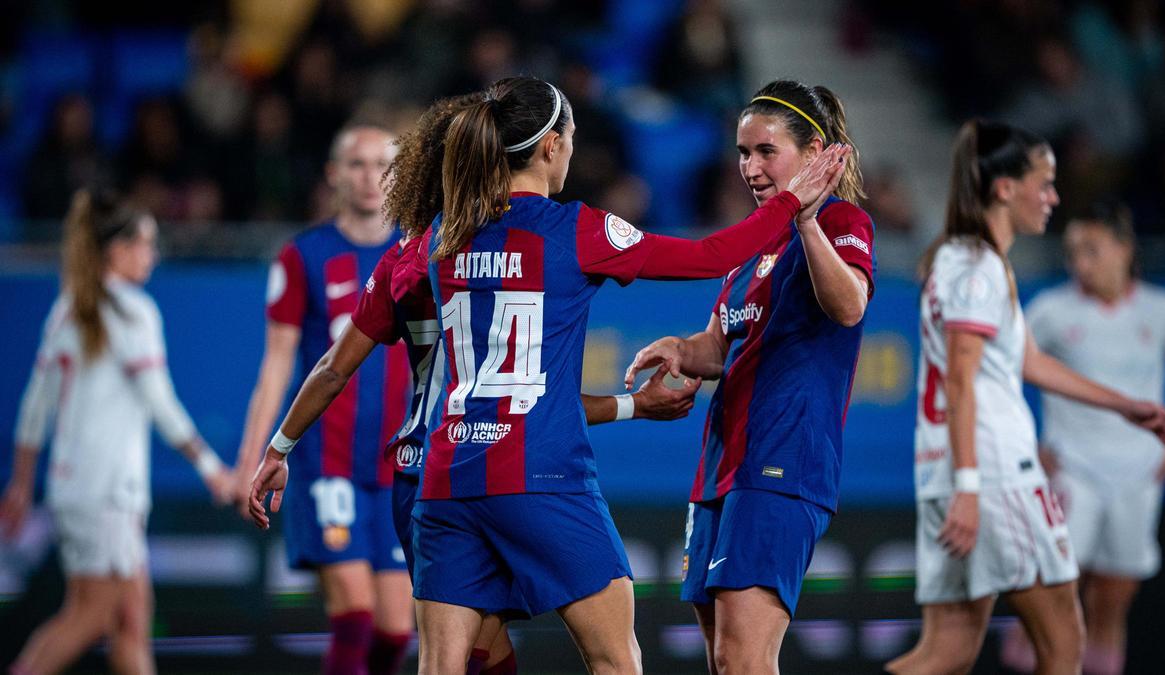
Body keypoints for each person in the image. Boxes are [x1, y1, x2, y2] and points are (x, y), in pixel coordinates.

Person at [378, 75, 847, 674]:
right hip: (541, 473)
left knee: (445, 668)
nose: (572, 151)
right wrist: (792, 204)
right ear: (551, 147)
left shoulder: (441, 237)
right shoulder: (577, 229)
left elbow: (360, 341)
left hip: (446, 482)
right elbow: (708, 257)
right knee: (615, 660)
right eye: (571, 138)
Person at [247, 93, 703, 675]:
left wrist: (278, 447)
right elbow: (522, 399)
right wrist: (632, 406)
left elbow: (338, 368)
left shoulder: (415, 255)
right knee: (549, 651)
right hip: (486, 468)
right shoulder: (505, 247)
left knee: (476, 654)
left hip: (429, 475)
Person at [885, 120, 1165, 675]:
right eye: (1043, 183)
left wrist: (1125, 405)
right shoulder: (980, 268)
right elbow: (961, 379)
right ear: (1004, 188)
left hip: (947, 473)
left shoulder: (961, 259)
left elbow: (1028, 362)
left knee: (946, 651)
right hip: (993, 476)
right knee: (1064, 640)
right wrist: (971, 488)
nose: (1053, 197)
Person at [623, 79, 875, 674]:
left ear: (814, 153)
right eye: (743, 152)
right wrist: (683, 349)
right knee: (722, 659)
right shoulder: (752, 242)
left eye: (767, 151)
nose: (751, 167)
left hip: (783, 459)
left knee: (744, 656)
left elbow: (850, 307)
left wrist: (808, 222)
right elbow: (722, 342)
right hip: (721, 467)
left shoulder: (841, 221)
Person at [0, 189, 234, 675]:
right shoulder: (133, 311)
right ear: (118, 250)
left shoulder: (68, 307)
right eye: (146, 243)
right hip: (108, 494)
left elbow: (33, 408)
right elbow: (161, 404)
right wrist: (212, 469)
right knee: (89, 615)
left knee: (131, 618)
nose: (153, 255)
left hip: (75, 490)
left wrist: (22, 482)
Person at [233, 123, 414, 675]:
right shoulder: (302, 256)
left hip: (395, 467)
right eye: (356, 164)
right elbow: (277, 363)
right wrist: (252, 458)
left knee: (396, 631)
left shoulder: (420, 252)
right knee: (355, 616)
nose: (370, 178)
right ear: (334, 174)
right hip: (324, 464)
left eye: (383, 165)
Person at [1000, 202, 1165, 675]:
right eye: (1072, 252)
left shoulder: (1163, 310)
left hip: (1139, 478)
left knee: (1112, 601)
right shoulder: (1052, 310)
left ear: (1124, 249)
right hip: (1074, 471)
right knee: (1053, 598)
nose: (1079, 263)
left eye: (1091, 250)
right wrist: (1030, 449)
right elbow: (999, 372)